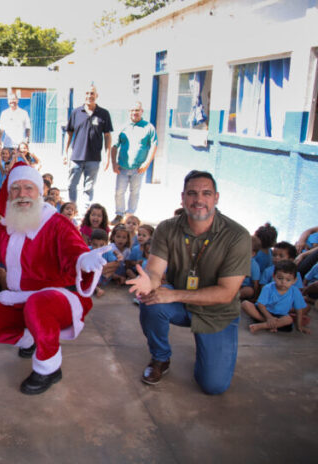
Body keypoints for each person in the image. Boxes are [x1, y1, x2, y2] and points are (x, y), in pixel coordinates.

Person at [0, 162, 109, 395]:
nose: (22, 194)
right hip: (20, 297)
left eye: (28, 188)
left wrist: (84, 261)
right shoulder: (6, 228)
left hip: (61, 297)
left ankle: (49, 368)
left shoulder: (57, 223)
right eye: (16, 188)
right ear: (9, 194)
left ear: (39, 192)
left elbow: (74, 252)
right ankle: (31, 337)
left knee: (38, 305)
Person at [127, 170, 250, 395]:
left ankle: (211, 351)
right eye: (192, 193)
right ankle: (160, 358)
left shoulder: (237, 236)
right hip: (181, 304)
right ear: (183, 198)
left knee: (213, 386)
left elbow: (226, 293)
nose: (199, 200)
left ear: (216, 198)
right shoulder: (167, 228)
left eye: (206, 193)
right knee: (151, 301)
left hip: (217, 312)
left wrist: (174, 295)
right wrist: (149, 282)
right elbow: (155, 270)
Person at [64, 85, 113, 209]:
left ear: (96, 96)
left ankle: (85, 211)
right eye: (87, 93)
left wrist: (107, 156)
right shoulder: (76, 112)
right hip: (76, 157)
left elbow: (107, 136)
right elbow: (69, 133)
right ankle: (72, 209)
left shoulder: (103, 114)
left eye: (92, 93)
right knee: (71, 185)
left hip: (94, 158)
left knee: (89, 188)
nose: (89, 96)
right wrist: (65, 153)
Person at [110, 101, 157, 223]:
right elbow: (114, 146)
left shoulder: (149, 128)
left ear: (142, 111)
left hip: (138, 168)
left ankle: (130, 215)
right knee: (119, 192)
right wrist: (114, 163)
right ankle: (119, 214)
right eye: (132, 110)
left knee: (135, 192)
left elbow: (153, 146)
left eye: (137, 110)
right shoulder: (123, 127)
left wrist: (146, 163)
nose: (134, 113)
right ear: (129, 111)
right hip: (123, 167)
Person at [241, 260, 309, 335]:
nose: (283, 282)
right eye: (280, 278)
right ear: (274, 276)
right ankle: (271, 324)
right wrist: (269, 317)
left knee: (289, 319)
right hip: (263, 312)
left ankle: (261, 326)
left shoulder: (295, 291)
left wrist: (299, 326)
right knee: (245, 304)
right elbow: (261, 305)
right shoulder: (268, 288)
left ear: (294, 280)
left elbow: (299, 309)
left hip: (280, 316)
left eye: (288, 280)